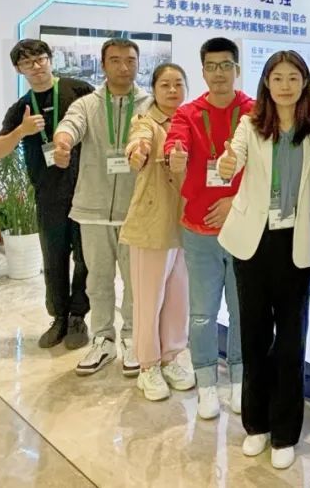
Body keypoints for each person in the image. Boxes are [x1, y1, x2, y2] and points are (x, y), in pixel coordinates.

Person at [216, 50, 310, 471]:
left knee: (292, 340)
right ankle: (256, 425)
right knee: (255, 335)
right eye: (277, 77)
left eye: (293, 77)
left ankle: (285, 432)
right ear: (266, 83)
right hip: (253, 244)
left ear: (304, 83)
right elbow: (232, 161)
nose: (285, 85)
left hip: (296, 245)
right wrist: (227, 164)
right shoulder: (250, 125)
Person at [164, 37, 253, 419]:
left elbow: (264, 168)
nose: (219, 73)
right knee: (202, 313)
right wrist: (175, 157)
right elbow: (176, 143)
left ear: (237, 69)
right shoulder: (188, 113)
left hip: (243, 229)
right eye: (211, 67)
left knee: (242, 312)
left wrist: (235, 202)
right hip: (199, 232)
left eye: (226, 65)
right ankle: (206, 384)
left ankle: (240, 380)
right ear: (202, 71)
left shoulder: (253, 111)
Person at [53, 38, 152, 377]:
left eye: (130, 60)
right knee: (97, 280)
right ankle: (102, 339)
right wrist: (63, 142)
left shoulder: (149, 104)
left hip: (135, 211)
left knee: (135, 282)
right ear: (103, 64)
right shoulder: (87, 104)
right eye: (115, 60)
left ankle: (132, 338)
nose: (124, 67)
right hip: (92, 208)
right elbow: (70, 125)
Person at [0, 39, 94, 350]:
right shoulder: (21, 107)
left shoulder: (78, 90)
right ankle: (59, 317)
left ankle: (78, 316)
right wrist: (21, 131)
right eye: (27, 63)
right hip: (49, 194)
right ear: (18, 69)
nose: (36, 67)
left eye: (40, 59)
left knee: (86, 257)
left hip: (86, 190)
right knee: (53, 257)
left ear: (50, 59)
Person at [120, 63, 196, 401]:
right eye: (165, 85)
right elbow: (138, 142)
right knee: (149, 299)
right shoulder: (145, 122)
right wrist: (137, 153)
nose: (172, 90)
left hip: (187, 222)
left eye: (178, 84)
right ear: (153, 89)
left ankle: (171, 357)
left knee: (179, 297)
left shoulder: (191, 121)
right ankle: (147, 365)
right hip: (152, 222)